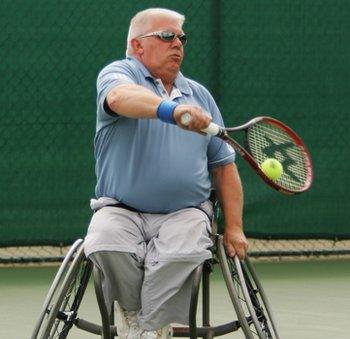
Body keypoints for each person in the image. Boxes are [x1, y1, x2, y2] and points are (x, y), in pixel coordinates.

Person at [84, 7, 248, 339]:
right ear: (137, 45)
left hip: (186, 212)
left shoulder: (199, 95)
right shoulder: (119, 73)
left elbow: (224, 167)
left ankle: (148, 328)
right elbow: (119, 98)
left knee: (184, 251)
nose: (178, 44)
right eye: (166, 36)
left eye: (181, 38)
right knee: (103, 242)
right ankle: (139, 317)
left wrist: (235, 227)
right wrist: (171, 111)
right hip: (119, 209)